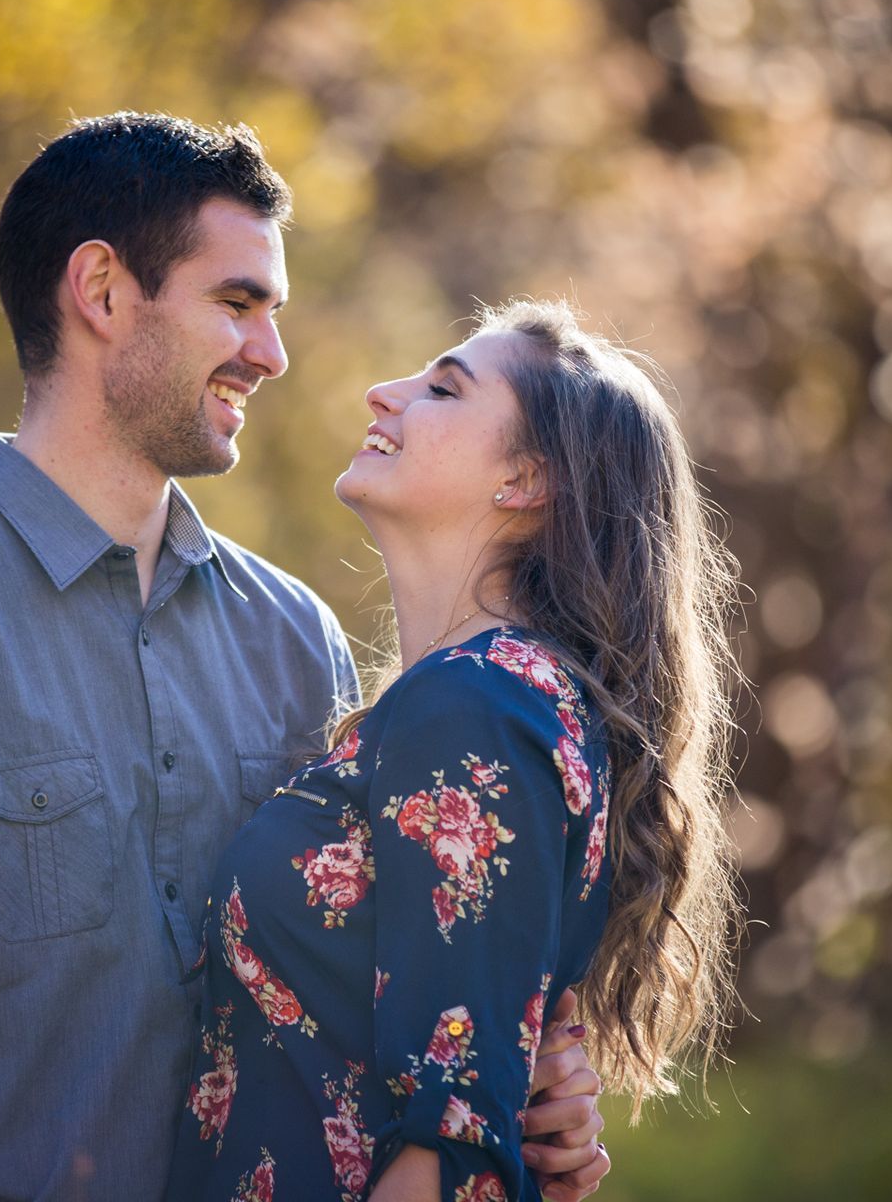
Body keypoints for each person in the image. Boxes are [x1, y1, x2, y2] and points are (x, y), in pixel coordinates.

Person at [0, 113, 609, 1200]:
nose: (273, 355)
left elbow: (383, 987)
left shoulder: (296, 640)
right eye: (237, 305)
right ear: (99, 292)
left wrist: (521, 1091)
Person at [163, 298, 740, 1202]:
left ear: (526, 477)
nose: (382, 394)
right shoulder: (513, 701)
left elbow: (447, 1144)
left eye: (441, 388)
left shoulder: (471, 706)